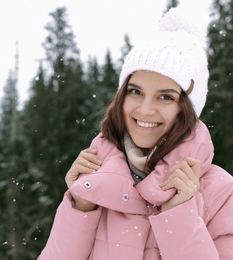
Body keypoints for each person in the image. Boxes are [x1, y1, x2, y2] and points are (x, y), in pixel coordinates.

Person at [38, 6, 233, 260]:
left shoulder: (221, 192)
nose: (145, 109)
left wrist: (178, 214)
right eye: (135, 91)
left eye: (165, 96)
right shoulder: (96, 179)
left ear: (186, 109)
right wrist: (80, 205)